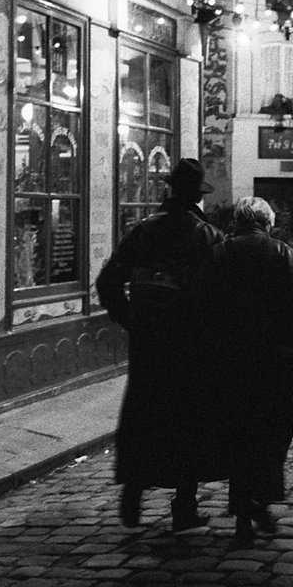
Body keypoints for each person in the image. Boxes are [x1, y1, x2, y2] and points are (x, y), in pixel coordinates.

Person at [94, 157, 220, 532]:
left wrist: (131, 319)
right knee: (189, 422)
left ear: (170, 189)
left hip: (149, 342)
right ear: (197, 196)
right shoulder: (208, 236)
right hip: (192, 344)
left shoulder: (144, 231)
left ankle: (133, 492)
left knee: (143, 415)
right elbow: (223, 293)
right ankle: (184, 506)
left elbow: (107, 282)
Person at [207, 197, 293, 547]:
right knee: (278, 426)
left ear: (237, 223)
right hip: (275, 361)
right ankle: (261, 497)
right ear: (267, 223)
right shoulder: (282, 254)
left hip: (231, 361)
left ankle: (244, 510)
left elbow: (200, 306)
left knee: (239, 432)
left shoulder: (218, 255)